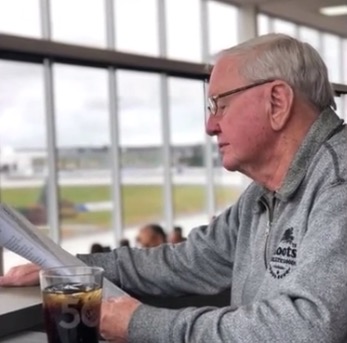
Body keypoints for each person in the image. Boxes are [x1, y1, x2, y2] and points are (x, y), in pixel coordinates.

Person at [1, 33, 347, 343]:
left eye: (220, 104)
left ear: (277, 102)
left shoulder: (338, 182)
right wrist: (71, 266)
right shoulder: (261, 196)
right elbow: (189, 261)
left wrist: (141, 324)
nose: (210, 125)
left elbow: (309, 327)